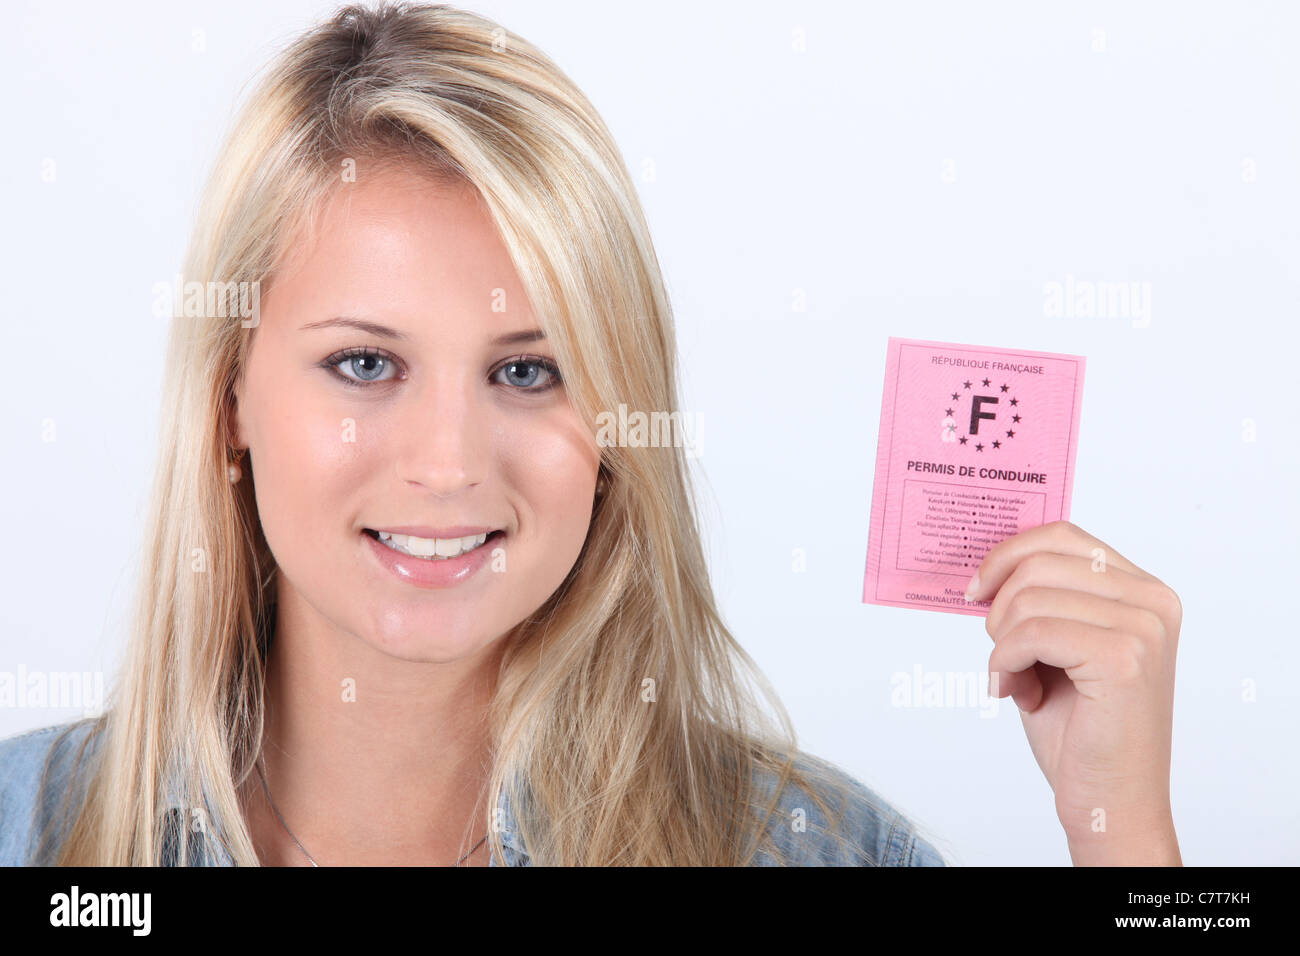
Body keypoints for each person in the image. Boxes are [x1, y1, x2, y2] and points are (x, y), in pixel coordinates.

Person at [0, 1, 1181, 867]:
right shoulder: (29, 830)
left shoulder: (816, 850)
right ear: (229, 408)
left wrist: (1117, 824)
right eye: (365, 362)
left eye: (529, 369)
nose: (449, 460)